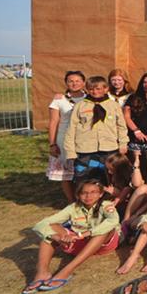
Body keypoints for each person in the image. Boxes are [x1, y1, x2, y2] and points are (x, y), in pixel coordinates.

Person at [22, 175, 120, 294]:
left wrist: (83, 234)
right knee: (50, 230)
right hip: (79, 244)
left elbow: (113, 221)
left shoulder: (106, 205)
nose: (88, 196)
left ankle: (66, 271)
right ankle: (42, 272)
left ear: (100, 194)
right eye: (84, 193)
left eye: (93, 192)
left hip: (103, 244)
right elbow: (41, 224)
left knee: (104, 231)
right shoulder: (73, 208)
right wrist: (56, 237)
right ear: (78, 195)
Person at [64, 76, 129, 182]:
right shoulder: (80, 106)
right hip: (85, 149)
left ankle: (108, 198)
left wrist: (123, 144)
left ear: (106, 89)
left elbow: (121, 127)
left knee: (110, 178)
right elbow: (71, 129)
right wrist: (70, 151)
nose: (94, 91)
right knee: (84, 179)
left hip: (109, 148)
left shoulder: (113, 106)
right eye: (91, 89)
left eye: (98, 89)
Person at [47, 70, 86, 201]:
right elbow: (53, 122)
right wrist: (52, 144)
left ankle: (85, 199)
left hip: (84, 139)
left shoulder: (89, 98)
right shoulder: (59, 100)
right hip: (64, 139)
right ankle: (72, 202)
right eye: (71, 81)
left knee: (83, 171)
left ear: (83, 82)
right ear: (66, 83)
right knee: (66, 174)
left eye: (77, 81)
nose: (74, 84)